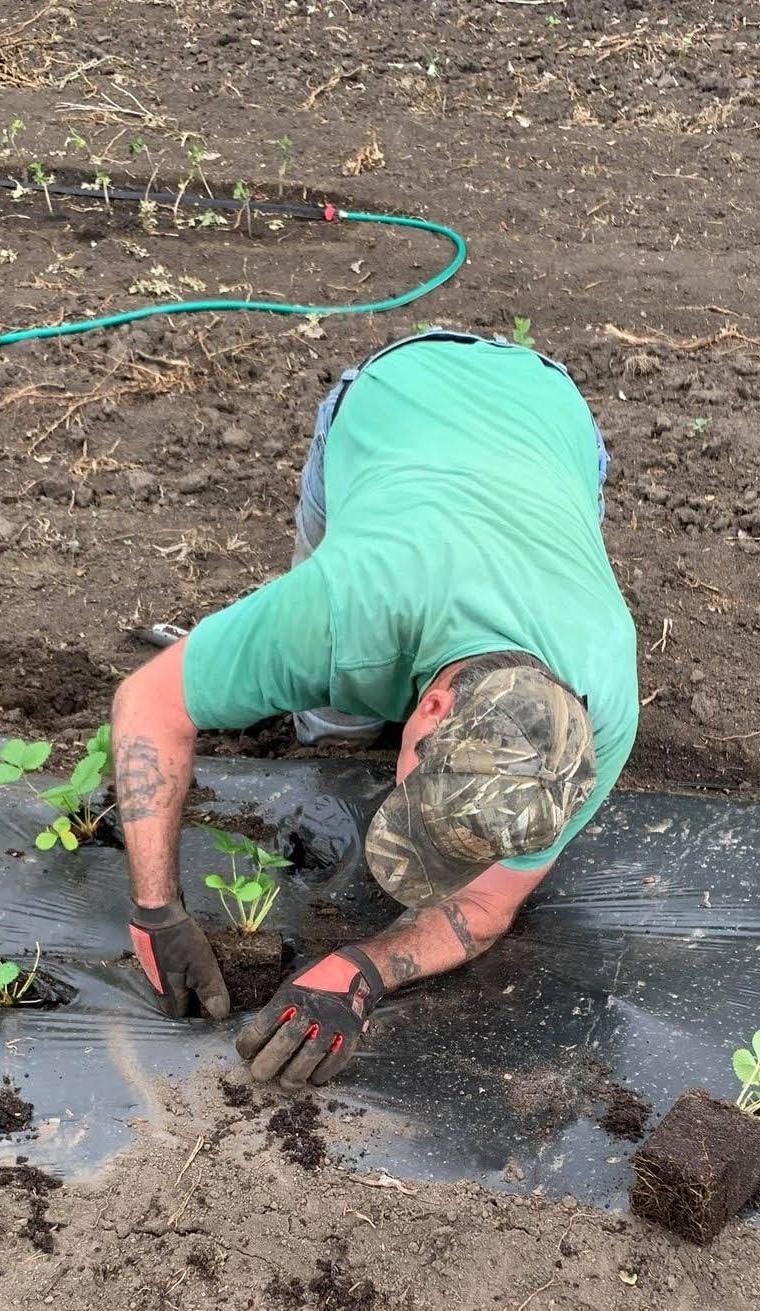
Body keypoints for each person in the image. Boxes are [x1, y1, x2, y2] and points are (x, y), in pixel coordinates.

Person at [110, 327, 639, 1087]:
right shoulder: (339, 611)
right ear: (430, 705)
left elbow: (488, 904)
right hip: (396, 394)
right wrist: (155, 909)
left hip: (551, 426)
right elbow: (148, 702)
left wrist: (363, 968)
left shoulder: (599, 717)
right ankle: (336, 726)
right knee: (332, 726)